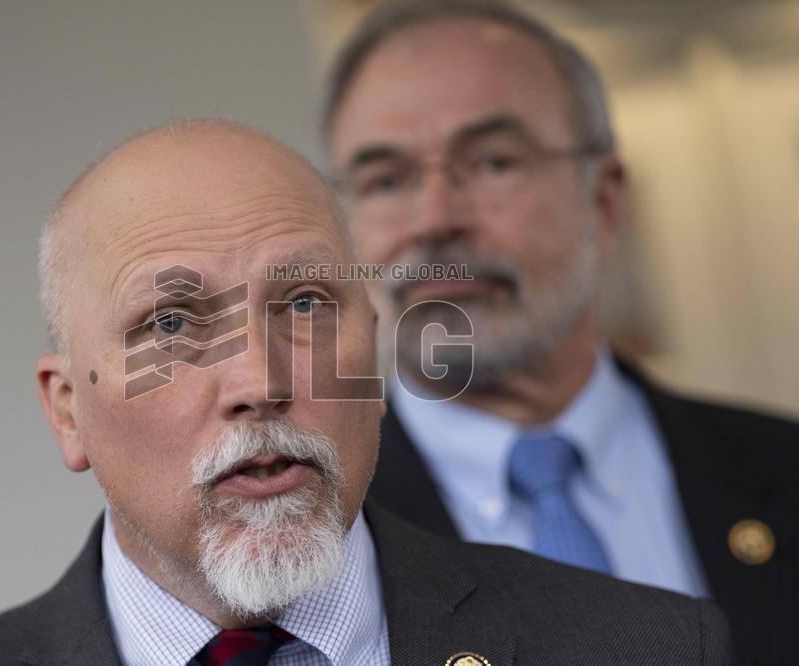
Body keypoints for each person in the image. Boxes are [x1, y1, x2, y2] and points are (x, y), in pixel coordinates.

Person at [0, 121, 731, 665]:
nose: (260, 383)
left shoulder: (645, 646)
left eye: (304, 305)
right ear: (67, 411)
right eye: (171, 324)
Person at [324, 1, 799, 663]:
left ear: (604, 203)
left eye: (492, 163)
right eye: (386, 179)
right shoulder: (310, 537)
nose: (434, 219)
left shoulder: (782, 472)